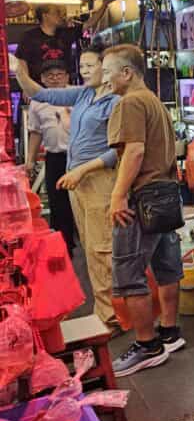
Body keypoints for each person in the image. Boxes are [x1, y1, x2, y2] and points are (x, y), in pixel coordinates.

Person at [15, 46, 120, 329]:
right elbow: (41, 95)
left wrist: (85, 169)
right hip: (78, 180)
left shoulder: (115, 101)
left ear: (106, 67)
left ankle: (112, 316)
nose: (85, 71)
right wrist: (19, 71)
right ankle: (105, 311)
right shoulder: (85, 94)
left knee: (102, 250)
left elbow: (120, 151)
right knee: (90, 248)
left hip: (99, 181)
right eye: (82, 66)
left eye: (91, 66)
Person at [102, 44, 185, 376]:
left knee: (128, 272)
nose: (104, 79)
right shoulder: (155, 102)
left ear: (127, 73)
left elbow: (134, 152)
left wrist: (118, 195)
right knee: (166, 266)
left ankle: (147, 345)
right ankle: (169, 331)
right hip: (166, 193)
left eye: (108, 72)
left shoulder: (131, 102)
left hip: (142, 197)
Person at [24, 60, 76, 254]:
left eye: (59, 74)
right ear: (43, 79)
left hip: (79, 158)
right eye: (50, 76)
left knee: (81, 201)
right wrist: (29, 160)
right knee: (58, 202)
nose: (55, 78)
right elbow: (35, 132)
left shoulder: (78, 94)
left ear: (67, 77)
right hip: (54, 157)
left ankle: (88, 244)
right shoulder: (37, 101)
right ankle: (65, 248)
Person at [15, 5, 78, 82]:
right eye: (56, 13)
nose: (60, 16)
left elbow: (88, 25)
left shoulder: (65, 33)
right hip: (39, 87)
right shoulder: (29, 36)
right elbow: (22, 62)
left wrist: (97, 12)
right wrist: (26, 85)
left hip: (63, 87)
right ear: (45, 16)